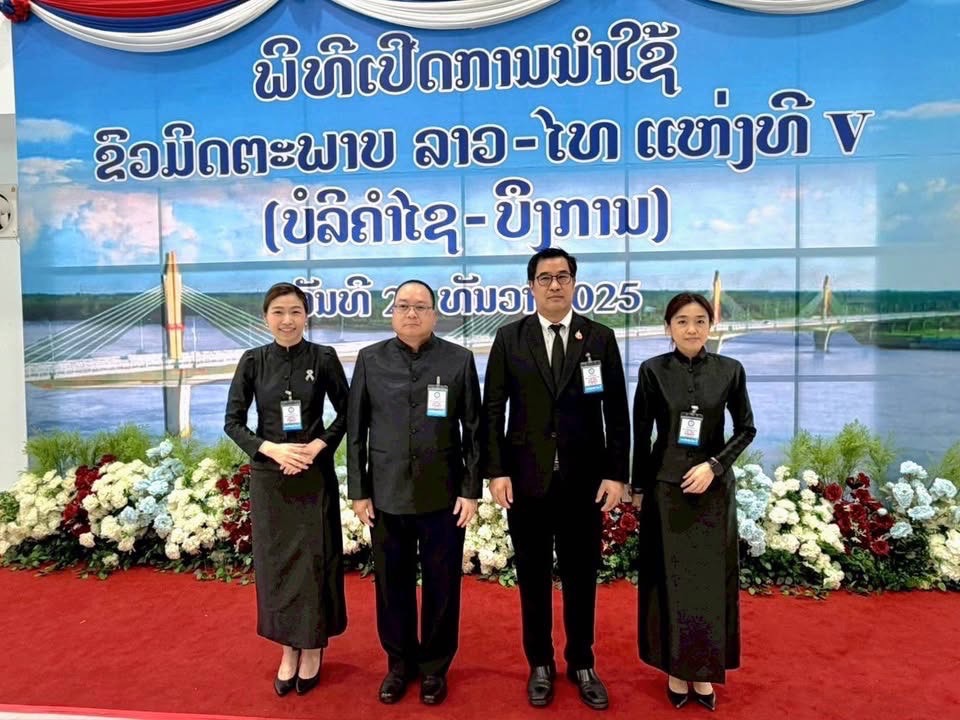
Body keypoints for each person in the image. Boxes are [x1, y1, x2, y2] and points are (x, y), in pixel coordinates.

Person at [482, 248, 630, 711]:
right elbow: (492, 410)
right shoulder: (510, 338)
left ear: (574, 283)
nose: (554, 285)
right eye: (545, 277)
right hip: (527, 481)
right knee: (533, 578)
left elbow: (617, 412)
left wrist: (616, 474)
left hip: (584, 484)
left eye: (562, 276)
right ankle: (540, 664)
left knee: (582, 577)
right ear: (531, 286)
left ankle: (582, 663)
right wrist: (496, 470)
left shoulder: (600, 338)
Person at [347, 279, 481, 706]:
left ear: (434, 314)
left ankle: (435, 668)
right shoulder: (369, 360)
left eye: (420, 306)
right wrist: (359, 490)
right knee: (392, 585)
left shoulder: (458, 360)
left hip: (444, 495)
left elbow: (474, 430)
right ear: (392, 313)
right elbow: (356, 431)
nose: (411, 313)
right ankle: (399, 664)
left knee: (443, 585)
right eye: (403, 305)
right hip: (385, 494)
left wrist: (470, 490)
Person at [631, 292, 756, 712]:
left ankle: (703, 671)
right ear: (668, 327)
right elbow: (641, 434)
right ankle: (674, 668)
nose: (691, 328)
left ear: (711, 325)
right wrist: (637, 488)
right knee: (669, 582)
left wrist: (715, 466)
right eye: (682, 321)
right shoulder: (652, 371)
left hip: (713, 494)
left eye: (700, 320)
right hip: (666, 492)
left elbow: (746, 429)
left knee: (708, 586)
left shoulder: (730, 370)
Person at [224, 282, 348, 697]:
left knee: (314, 563)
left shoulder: (323, 358)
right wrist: (271, 448)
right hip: (271, 478)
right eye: (278, 312)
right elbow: (233, 422)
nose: (287, 320)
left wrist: (318, 445)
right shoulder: (252, 361)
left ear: (306, 316)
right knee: (277, 566)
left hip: (312, 475)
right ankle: (287, 649)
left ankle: (312, 646)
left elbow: (348, 412)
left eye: (295, 311)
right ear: (266, 318)